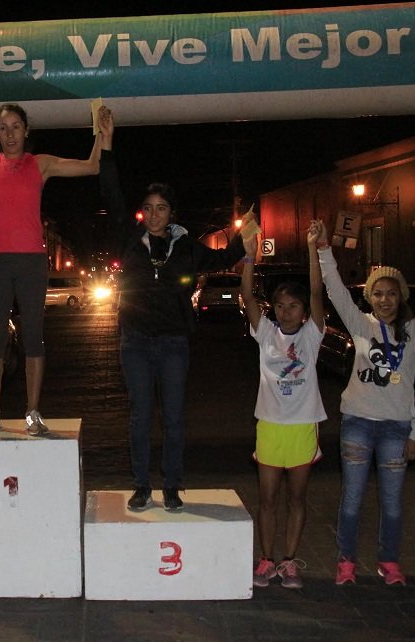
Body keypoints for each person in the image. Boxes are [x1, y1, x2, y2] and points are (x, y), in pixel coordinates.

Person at [0, 91, 111, 436]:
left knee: (34, 337)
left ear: (26, 130)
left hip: (30, 260)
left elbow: (92, 165)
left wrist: (102, 133)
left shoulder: (40, 164)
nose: (10, 133)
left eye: (16, 127)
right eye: (3, 128)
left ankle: (33, 411)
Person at [98, 108, 246, 512]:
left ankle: (173, 486)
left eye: (162, 207)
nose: (154, 213)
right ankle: (143, 485)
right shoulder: (129, 241)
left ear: (172, 212)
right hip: (136, 342)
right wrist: (107, 146)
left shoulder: (187, 247)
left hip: (174, 343)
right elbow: (111, 194)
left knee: (175, 420)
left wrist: (244, 234)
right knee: (140, 417)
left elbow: (223, 259)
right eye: (149, 207)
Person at [314, 220, 415, 586]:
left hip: (397, 427)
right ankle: (346, 562)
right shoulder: (361, 325)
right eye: (378, 293)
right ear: (370, 296)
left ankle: (389, 561)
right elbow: (334, 290)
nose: (385, 300)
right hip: (358, 422)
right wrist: (323, 250)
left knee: (393, 502)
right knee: (351, 499)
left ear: (402, 297)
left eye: (392, 294)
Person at [243, 220, 326, 590]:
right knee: (267, 498)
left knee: (296, 497)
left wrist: (312, 246)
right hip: (270, 425)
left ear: (304, 311)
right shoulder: (266, 334)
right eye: (280, 305)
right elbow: (247, 295)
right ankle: (266, 561)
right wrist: (250, 251)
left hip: (303, 424)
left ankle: (289, 562)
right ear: (272, 308)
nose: (286, 311)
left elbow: (318, 290)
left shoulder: (312, 335)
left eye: (293, 306)